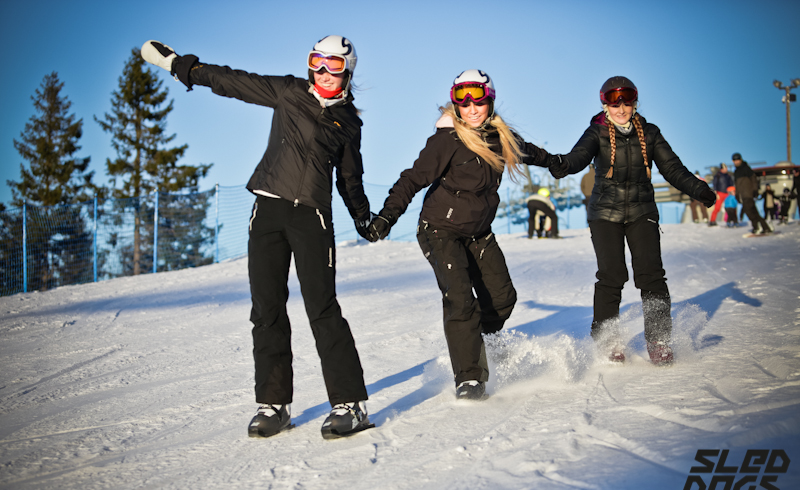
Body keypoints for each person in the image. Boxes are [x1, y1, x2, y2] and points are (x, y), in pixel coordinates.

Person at [141, 37, 375, 440]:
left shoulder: (349, 122)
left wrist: (363, 218)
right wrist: (184, 67)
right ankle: (274, 405)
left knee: (321, 307)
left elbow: (350, 179)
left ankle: (349, 403)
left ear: (347, 71)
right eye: (317, 61)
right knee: (266, 308)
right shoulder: (288, 92)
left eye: (333, 65)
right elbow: (235, 82)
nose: (323, 72)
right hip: (268, 209)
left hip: (313, 217)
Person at [365, 70, 561, 399]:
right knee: (461, 300)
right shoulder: (447, 140)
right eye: (462, 100)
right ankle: (469, 376)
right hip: (439, 230)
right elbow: (412, 179)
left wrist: (558, 161)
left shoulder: (501, 137)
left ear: (490, 101)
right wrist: (387, 216)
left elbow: (529, 152)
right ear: (454, 103)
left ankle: (480, 347)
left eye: (478, 100)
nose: (471, 108)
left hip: (479, 233)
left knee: (502, 299)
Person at [549, 76, 716, 364]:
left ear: (635, 103)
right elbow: (577, 158)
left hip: (642, 212)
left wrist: (698, 189)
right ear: (605, 104)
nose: (622, 108)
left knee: (651, 275)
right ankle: (607, 341)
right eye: (615, 103)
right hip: (605, 213)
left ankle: (659, 339)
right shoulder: (596, 132)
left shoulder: (649, 133)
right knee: (612, 275)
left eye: (627, 102)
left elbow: (672, 168)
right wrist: (563, 164)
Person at [732, 153, 771, 235]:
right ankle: (765, 227)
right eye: (735, 160)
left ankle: (757, 226)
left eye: (738, 160)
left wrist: (755, 190)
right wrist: (737, 194)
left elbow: (754, 180)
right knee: (753, 211)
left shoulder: (746, 168)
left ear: (741, 160)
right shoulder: (736, 172)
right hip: (743, 195)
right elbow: (737, 185)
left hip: (748, 193)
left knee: (748, 210)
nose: (736, 162)